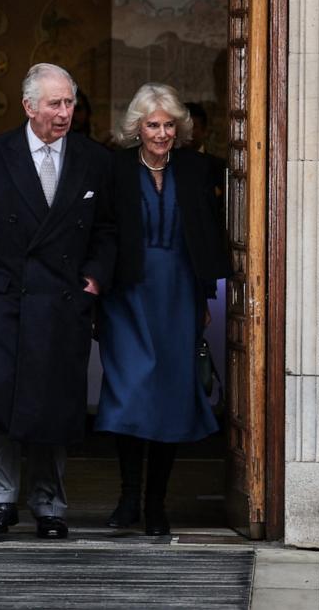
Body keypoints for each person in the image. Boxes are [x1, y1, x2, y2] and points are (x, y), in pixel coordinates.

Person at [0, 62, 117, 540]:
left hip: (62, 300)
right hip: (3, 297)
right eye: (55, 104)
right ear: (28, 107)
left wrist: (95, 279)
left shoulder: (94, 159)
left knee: (53, 405)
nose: (64, 113)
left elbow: (107, 231)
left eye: (70, 103)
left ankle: (49, 505)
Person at [97, 83, 229, 536]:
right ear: (137, 127)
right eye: (152, 125)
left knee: (171, 398)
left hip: (178, 296)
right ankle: (128, 497)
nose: (161, 133)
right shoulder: (114, 169)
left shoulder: (197, 169)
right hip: (127, 296)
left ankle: (156, 504)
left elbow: (210, 232)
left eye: (169, 125)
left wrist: (206, 294)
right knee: (130, 393)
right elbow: (102, 230)